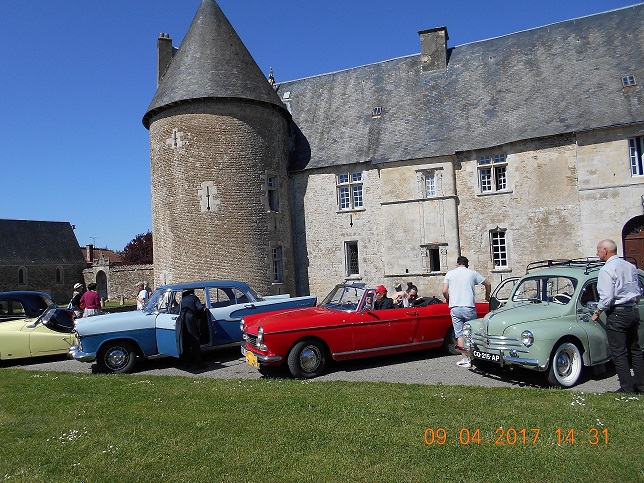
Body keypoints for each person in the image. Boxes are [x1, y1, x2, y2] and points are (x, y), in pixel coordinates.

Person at [591, 239, 644, 393]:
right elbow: (638, 290)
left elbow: (607, 297)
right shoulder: (630, 266)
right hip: (632, 310)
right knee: (635, 349)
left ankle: (627, 389)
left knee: (619, 352)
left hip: (617, 313)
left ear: (605, 251)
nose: (597, 253)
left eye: (598, 250)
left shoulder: (606, 270)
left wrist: (597, 312)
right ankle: (641, 386)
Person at [442, 256, 491, 368]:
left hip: (455, 307)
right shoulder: (472, 273)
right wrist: (487, 295)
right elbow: (487, 284)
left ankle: (465, 359)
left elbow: (444, 291)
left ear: (457, 264)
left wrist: (449, 300)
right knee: (472, 332)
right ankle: (477, 357)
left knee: (460, 334)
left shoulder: (450, 273)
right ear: (466, 264)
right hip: (468, 306)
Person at [180, 289, 207, 369]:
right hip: (190, 318)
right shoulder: (194, 298)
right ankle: (198, 363)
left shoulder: (183, 300)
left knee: (186, 340)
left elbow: (178, 309)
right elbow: (200, 308)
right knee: (195, 339)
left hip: (182, 318)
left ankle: (186, 362)